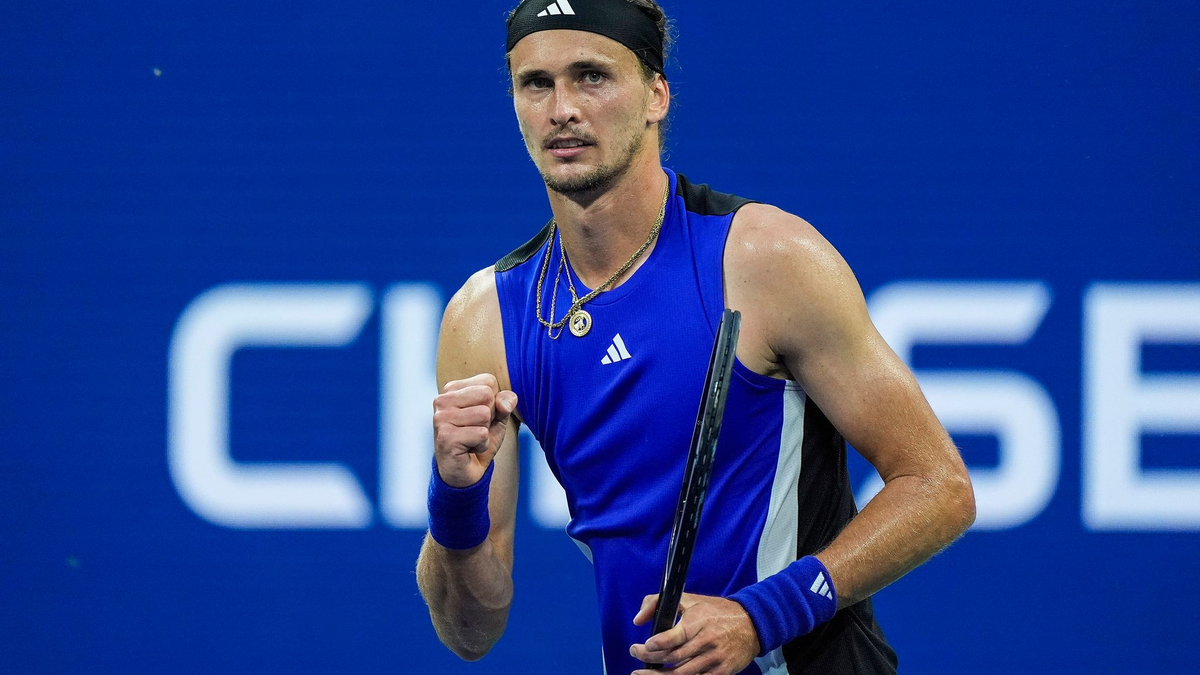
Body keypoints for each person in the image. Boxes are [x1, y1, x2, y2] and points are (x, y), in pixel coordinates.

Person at [415, 1, 976, 673]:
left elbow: (939, 486)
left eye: (591, 76)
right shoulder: (486, 319)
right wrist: (454, 495)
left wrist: (760, 615)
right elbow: (470, 630)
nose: (561, 108)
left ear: (656, 95)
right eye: (536, 83)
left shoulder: (764, 258)